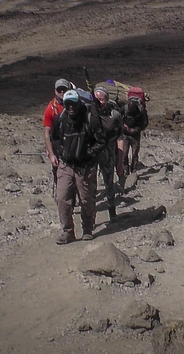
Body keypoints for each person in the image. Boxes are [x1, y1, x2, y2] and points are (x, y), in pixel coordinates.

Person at [50, 89, 107, 244]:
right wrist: (61, 151)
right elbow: (54, 137)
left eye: (73, 104)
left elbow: (101, 141)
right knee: (62, 198)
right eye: (68, 104)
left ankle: (88, 228)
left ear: (79, 103)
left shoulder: (90, 120)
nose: (71, 108)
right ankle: (67, 231)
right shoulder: (60, 120)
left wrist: (88, 154)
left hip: (85, 167)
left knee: (86, 200)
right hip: (66, 165)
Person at [93, 87, 121, 220]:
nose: (99, 102)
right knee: (91, 184)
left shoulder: (114, 114)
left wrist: (120, 160)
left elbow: (120, 135)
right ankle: (90, 215)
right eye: (97, 99)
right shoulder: (89, 113)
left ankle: (112, 210)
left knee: (109, 182)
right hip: (92, 153)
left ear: (107, 99)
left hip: (108, 152)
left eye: (102, 99)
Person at [44, 79, 73, 193]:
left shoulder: (75, 105)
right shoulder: (50, 109)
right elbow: (47, 133)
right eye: (59, 90)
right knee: (58, 175)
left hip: (73, 145)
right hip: (58, 147)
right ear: (55, 91)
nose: (61, 92)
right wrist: (51, 153)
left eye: (64, 90)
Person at [119, 94, 149, 183]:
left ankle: (134, 170)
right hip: (125, 134)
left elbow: (145, 122)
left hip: (135, 134)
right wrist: (124, 127)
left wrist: (137, 129)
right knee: (124, 153)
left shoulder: (141, 111)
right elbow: (118, 119)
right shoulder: (124, 108)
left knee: (135, 153)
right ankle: (125, 170)